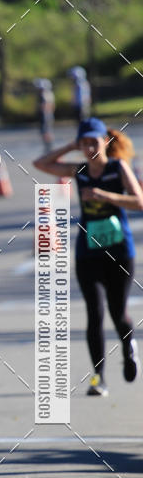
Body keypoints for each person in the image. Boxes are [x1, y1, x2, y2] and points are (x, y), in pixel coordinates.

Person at [33, 117, 143, 396]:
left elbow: (139, 201)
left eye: (94, 141)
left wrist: (106, 196)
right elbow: (40, 164)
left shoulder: (117, 168)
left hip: (119, 251)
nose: (90, 147)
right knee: (94, 314)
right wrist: (70, 144)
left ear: (105, 141)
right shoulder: (79, 170)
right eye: (85, 143)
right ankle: (99, 378)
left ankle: (129, 349)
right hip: (88, 252)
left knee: (118, 313)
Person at [33, 78, 55, 153]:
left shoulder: (45, 94)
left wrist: (44, 113)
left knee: (46, 132)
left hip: (46, 116)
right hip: (46, 115)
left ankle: (49, 148)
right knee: (45, 132)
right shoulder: (48, 94)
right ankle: (48, 147)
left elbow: (47, 106)